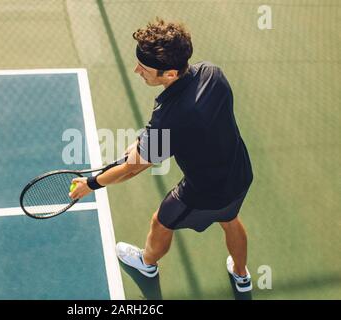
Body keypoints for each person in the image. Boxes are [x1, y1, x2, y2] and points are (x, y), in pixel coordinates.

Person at [69, 18, 254, 293]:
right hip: (240, 173)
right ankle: (241, 275)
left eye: (144, 69)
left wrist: (92, 183)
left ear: (169, 74)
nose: (136, 71)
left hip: (204, 193)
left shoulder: (170, 116)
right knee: (230, 220)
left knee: (161, 221)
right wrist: (145, 143)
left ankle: (147, 262)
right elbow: (166, 140)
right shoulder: (213, 73)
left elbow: (133, 168)